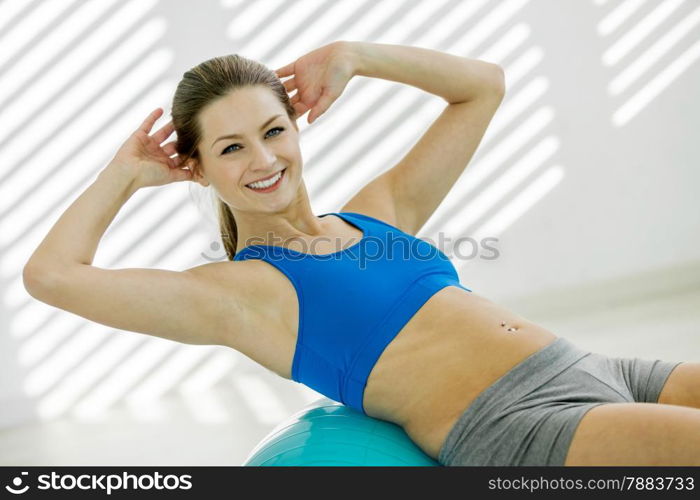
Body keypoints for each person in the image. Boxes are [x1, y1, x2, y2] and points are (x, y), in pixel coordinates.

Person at [23, 41, 700, 466]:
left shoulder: (376, 214)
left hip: (599, 369)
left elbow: (483, 86)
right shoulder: (240, 295)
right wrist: (125, 173)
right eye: (231, 148)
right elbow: (51, 276)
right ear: (199, 168)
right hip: (519, 427)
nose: (264, 159)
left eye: (272, 130)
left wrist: (355, 55)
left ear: (295, 129)